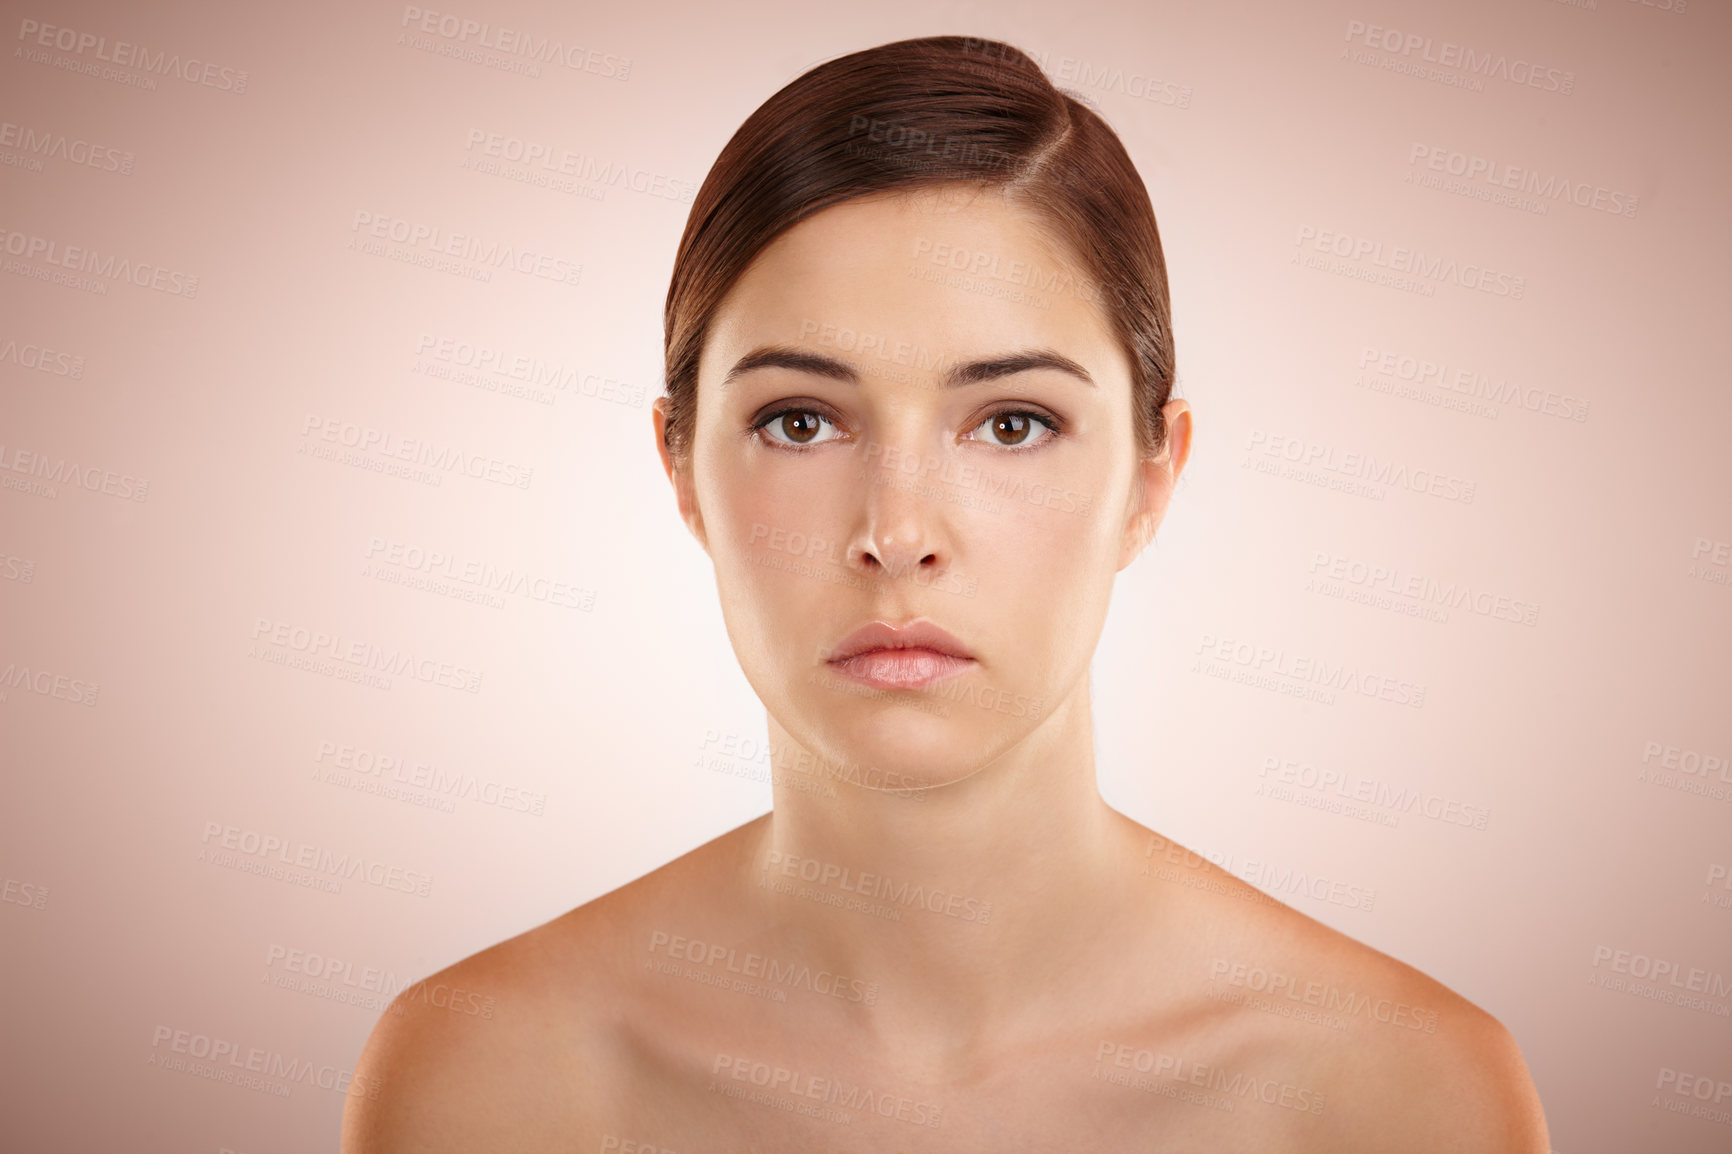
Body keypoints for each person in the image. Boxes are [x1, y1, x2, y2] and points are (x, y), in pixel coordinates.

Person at [342, 35, 1548, 1150]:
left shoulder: (1398, 1089)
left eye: (1012, 423)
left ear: (1151, 474)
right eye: (799, 420)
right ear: (680, 468)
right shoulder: (488, 1076)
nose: (897, 531)